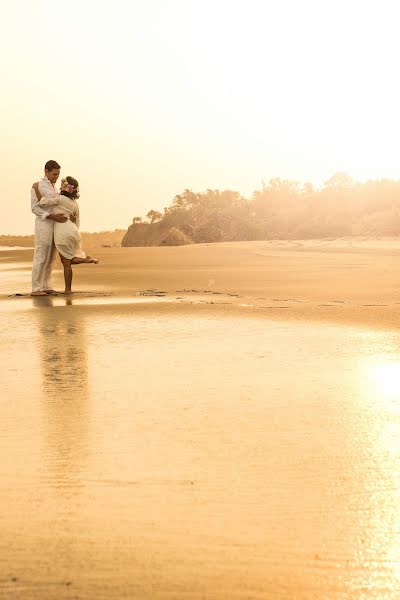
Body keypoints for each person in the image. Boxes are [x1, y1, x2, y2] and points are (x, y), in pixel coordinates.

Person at [33, 176, 98, 294]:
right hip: (74, 231)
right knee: (69, 259)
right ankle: (84, 260)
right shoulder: (75, 204)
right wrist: (73, 228)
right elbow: (77, 222)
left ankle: (68, 289)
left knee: (67, 263)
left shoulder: (60, 199)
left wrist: (36, 189)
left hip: (63, 232)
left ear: (64, 187)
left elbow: (42, 203)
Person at [30, 160, 75, 296]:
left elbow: (59, 205)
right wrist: (51, 216)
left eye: (58, 174)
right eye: (54, 174)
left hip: (56, 227)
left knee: (50, 258)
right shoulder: (37, 186)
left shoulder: (55, 188)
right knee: (41, 256)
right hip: (43, 225)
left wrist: (69, 216)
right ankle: (36, 288)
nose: (56, 177)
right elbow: (34, 208)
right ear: (46, 171)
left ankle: (46, 286)